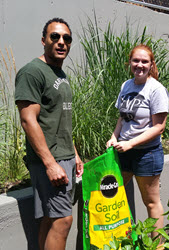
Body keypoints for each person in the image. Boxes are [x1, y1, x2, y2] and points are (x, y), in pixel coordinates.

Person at [15, 18, 84, 249]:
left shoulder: (60, 75)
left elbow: (60, 121)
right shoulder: (32, 72)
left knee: (52, 217)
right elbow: (28, 120)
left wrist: (73, 153)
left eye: (67, 38)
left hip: (64, 157)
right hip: (51, 161)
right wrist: (50, 163)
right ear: (43, 40)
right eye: (55, 36)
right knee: (63, 220)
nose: (61, 42)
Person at [106, 44, 169, 236]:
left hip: (146, 154)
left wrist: (131, 143)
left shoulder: (156, 89)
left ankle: (156, 247)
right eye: (136, 60)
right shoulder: (126, 85)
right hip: (123, 152)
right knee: (114, 195)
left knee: (151, 202)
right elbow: (122, 117)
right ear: (130, 63)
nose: (139, 65)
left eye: (144, 61)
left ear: (151, 65)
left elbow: (159, 127)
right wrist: (114, 137)